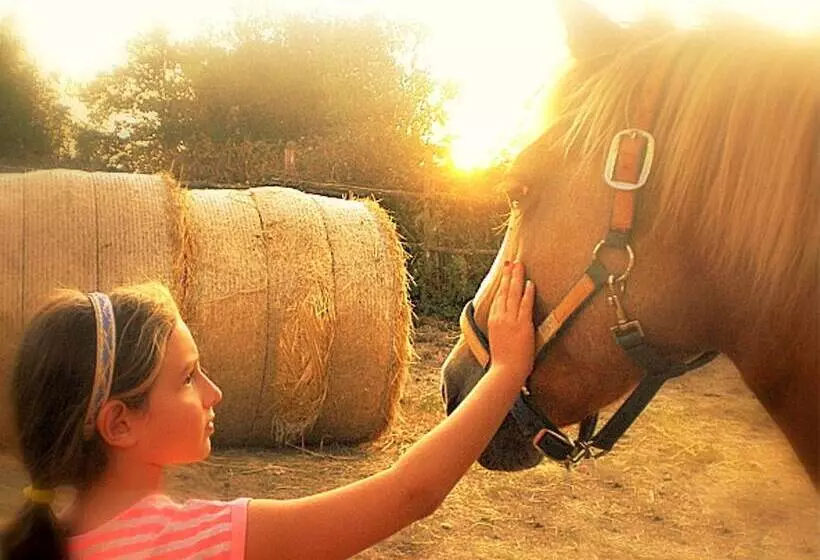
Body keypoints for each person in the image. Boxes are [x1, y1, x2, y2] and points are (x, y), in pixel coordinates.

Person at [0, 261, 535, 560]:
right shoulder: (199, 544)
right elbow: (410, 493)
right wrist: (506, 371)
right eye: (187, 378)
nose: (213, 392)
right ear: (120, 423)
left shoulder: (36, 542)